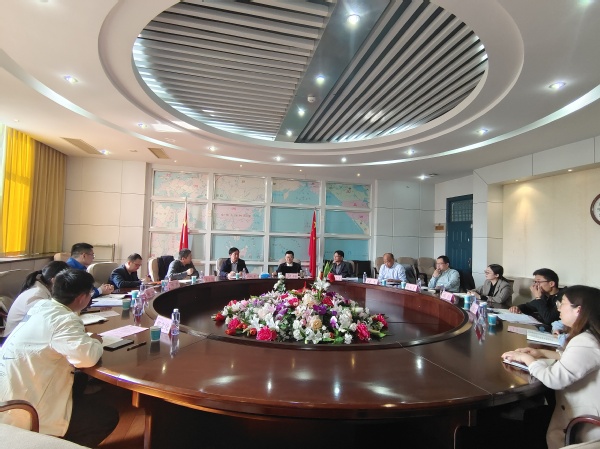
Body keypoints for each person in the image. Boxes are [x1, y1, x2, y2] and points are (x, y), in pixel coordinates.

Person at [0, 269, 119, 447]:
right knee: (107, 418)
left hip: (9, 394)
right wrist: (95, 341)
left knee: (79, 379)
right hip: (26, 410)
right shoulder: (64, 319)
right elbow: (86, 358)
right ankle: (51, 443)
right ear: (82, 298)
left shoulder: (42, 307)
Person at [502, 285, 600, 449]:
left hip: (586, 426)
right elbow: (574, 359)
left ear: (578, 310)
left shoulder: (585, 342)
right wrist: (541, 353)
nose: (558, 308)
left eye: (563, 303)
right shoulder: (591, 336)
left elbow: (554, 379)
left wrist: (527, 359)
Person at [4, 260, 69, 336]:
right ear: (54, 280)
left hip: (28, 335)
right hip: (15, 338)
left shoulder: (41, 289)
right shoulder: (36, 296)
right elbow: (47, 323)